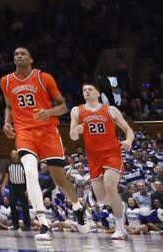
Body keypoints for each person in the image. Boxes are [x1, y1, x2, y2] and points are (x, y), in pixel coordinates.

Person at [1, 47, 86, 241]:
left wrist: (49, 112)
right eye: (15, 54)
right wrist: (7, 122)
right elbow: (8, 106)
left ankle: (77, 206)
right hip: (24, 132)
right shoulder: (5, 81)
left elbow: (63, 106)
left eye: (22, 54)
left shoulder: (44, 77)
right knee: (30, 172)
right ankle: (44, 224)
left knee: (60, 181)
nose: (18, 56)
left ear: (31, 59)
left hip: (48, 132)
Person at [69, 83, 135, 240]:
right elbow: (73, 137)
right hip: (93, 157)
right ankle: (120, 205)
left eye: (90, 89)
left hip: (112, 153)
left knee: (110, 185)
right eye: (84, 90)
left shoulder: (110, 110)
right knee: (102, 199)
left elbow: (128, 130)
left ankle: (120, 228)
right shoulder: (77, 111)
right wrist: (75, 131)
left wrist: (128, 141)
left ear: (98, 93)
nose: (86, 91)